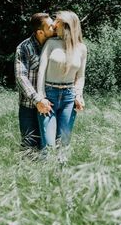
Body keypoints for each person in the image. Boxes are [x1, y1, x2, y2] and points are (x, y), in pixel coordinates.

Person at [36, 11, 87, 159]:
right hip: (49, 96)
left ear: (66, 25)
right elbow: (41, 72)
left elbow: (81, 75)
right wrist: (41, 97)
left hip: (69, 98)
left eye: (57, 21)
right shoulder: (51, 44)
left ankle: (61, 179)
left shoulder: (81, 48)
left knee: (63, 144)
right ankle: (45, 177)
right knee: (49, 144)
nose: (54, 24)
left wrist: (79, 95)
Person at [15, 13, 56, 152]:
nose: (55, 27)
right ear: (40, 32)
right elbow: (21, 77)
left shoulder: (56, 45)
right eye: (51, 26)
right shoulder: (24, 47)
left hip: (51, 105)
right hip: (29, 107)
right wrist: (38, 100)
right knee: (30, 147)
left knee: (50, 147)